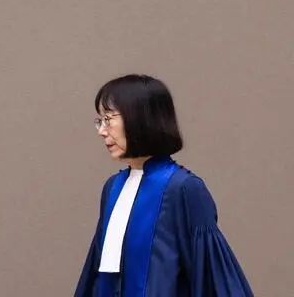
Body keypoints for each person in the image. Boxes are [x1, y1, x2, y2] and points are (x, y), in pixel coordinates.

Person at [74, 74, 253, 297]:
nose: (102, 131)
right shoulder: (113, 188)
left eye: (108, 119)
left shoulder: (183, 188)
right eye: (100, 121)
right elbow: (98, 273)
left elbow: (211, 275)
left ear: (140, 119)